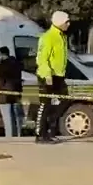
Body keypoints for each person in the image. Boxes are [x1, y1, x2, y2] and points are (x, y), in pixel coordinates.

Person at [35, 11, 70, 143]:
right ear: (59, 22)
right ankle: (40, 134)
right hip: (47, 76)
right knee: (45, 105)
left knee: (63, 101)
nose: (68, 24)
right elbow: (42, 59)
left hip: (59, 76)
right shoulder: (48, 37)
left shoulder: (62, 36)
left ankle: (50, 129)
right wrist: (47, 75)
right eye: (66, 22)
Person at [0, 46, 24, 137]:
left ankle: (9, 137)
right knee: (16, 117)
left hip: (4, 94)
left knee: (7, 118)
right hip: (16, 93)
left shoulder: (3, 65)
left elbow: (1, 81)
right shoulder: (17, 63)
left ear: (2, 54)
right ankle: (18, 135)